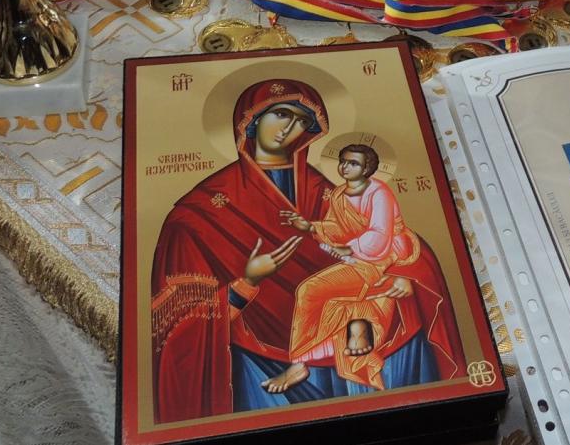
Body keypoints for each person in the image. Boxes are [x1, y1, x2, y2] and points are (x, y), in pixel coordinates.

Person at [149, 79, 464, 424]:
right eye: (281, 114)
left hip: (338, 327)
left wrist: (404, 274)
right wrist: (246, 282)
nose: (289, 128)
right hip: (257, 356)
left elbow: (383, 238)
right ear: (251, 120)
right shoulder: (199, 213)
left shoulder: (328, 191)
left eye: (301, 120)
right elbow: (176, 325)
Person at [270, 144, 422, 392]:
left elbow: (379, 235)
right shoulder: (339, 194)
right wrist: (310, 227)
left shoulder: (379, 193)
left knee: (309, 290)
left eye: (353, 163)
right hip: (358, 259)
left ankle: (299, 362)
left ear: (367, 168)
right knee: (321, 295)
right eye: (343, 161)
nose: (345, 167)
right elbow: (336, 228)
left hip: (379, 260)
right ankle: (309, 354)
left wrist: (350, 249)